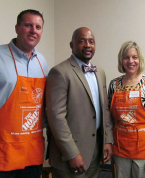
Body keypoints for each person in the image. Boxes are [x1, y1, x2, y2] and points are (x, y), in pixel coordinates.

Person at [0, 9, 48, 178]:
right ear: (17, 28)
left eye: (38, 27)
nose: (33, 30)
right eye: (28, 25)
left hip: (31, 155)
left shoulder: (42, 62)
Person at [46, 27, 114, 178]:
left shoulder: (100, 72)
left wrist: (108, 140)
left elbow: (105, 109)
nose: (88, 45)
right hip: (70, 156)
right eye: (82, 41)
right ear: (72, 45)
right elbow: (56, 118)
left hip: (96, 152)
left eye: (91, 41)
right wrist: (72, 154)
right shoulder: (59, 72)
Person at [108, 41, 145, 178]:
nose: (131, 61)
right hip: (120, 149)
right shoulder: (114, 85)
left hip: (143, 151)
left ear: (139, 59)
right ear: (121, 60)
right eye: (126, 57)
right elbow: (109, 118)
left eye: (134, 57)